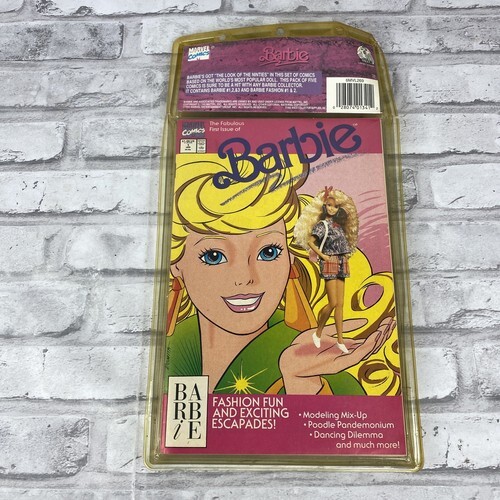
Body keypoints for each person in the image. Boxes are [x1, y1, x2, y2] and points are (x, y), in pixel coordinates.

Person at [165, 155, 395, 395]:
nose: (245, 278)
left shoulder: (319, 364)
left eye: (268, 252)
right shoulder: (171, 351)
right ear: (176, 264)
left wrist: (303, 385)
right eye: (214, 256)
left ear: (290, 259)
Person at [293, 187, 358, 354]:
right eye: (329, 205)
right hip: (329, 262)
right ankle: (318, 332)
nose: (332, 209)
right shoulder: (322, 225)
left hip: (342, 261)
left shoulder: (339, 225)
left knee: (340, 304)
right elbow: (310, 241)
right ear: (323, 206)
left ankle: (340, 340)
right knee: (333, 303)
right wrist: (323, 256)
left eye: (335, 206)